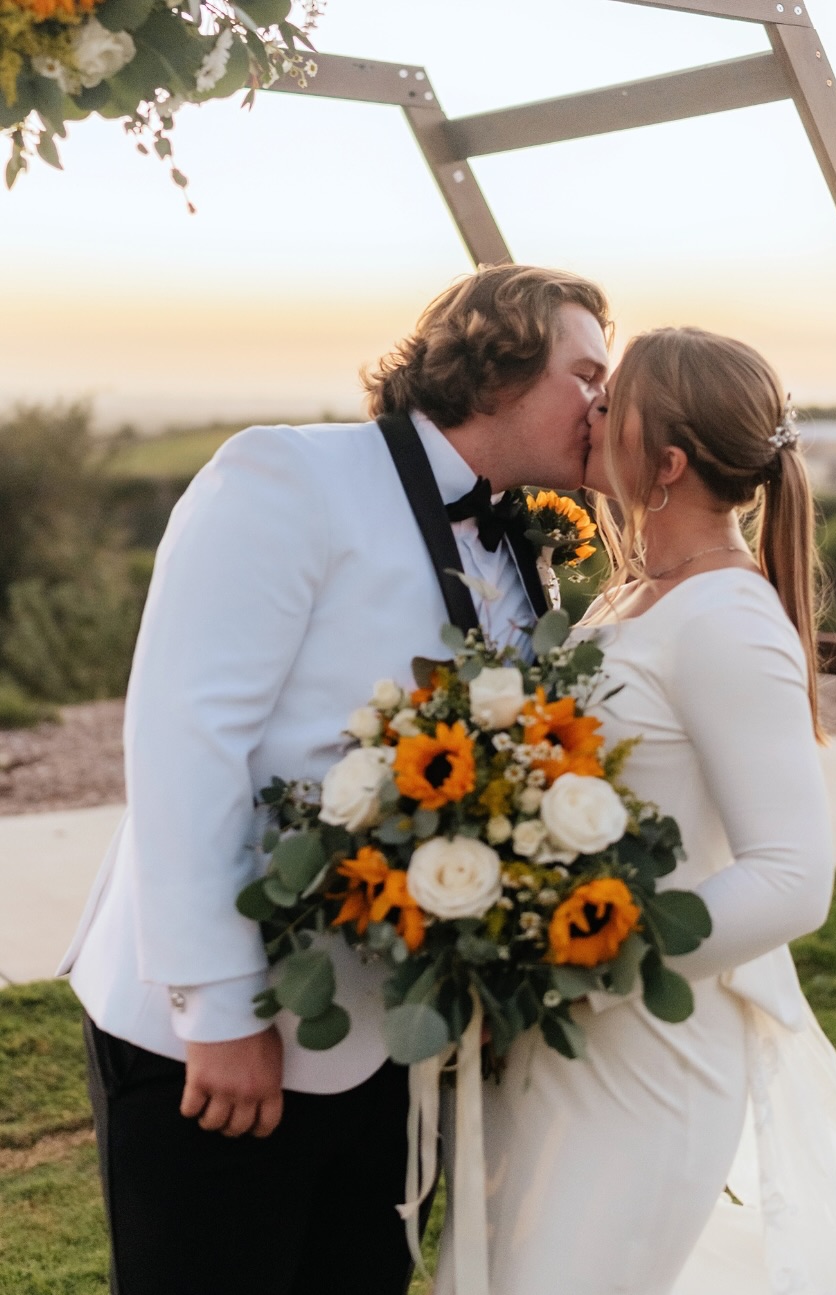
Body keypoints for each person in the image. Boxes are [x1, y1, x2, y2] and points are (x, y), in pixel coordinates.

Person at [436, 327, 836, 1294]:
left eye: (615, 401)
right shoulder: (635, 599)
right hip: (562, 1045)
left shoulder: (730, 622)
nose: (591, 410)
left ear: (667, 463)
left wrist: (572, 955)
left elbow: (789, 882)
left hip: (644, 1046)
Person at [58, 263, 611, 1295]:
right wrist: (220, 1006)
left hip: (398, 1042)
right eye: (587, 375)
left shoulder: (520, 542)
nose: (604, 404)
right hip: (223, 1043)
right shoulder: (283, 475)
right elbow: (187, 732)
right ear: (498, 367)